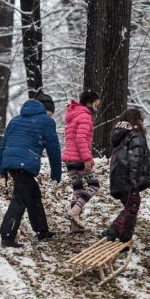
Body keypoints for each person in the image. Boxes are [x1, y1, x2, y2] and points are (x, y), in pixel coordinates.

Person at [0, 93, 62, 248]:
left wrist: (0, 169)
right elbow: (54, 150)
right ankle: (7, 235)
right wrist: (56, 173)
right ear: (46, 110)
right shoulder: (46, 122)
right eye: (50, 112)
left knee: (33, 194)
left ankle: (42, 230)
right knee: (20, 198)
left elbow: (3, 146)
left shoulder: (15, 120)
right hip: (24, 163)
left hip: (10, 162)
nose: (50, 115)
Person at [101, 108, 150, 243]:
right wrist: (134, 176)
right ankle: (118, 233)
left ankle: (119, 234)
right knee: (132, 206)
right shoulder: (135, 135)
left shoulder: (121, 135)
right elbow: (135, 157)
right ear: (136, 120)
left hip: (118, 177)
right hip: (128, 178)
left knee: (131, 207)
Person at [62, 89, 101, 232]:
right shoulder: (85, 116)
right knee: (94, 185)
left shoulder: (72, 115)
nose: (96, 109)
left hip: (69, 159)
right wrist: (87, 159)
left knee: (78, 189)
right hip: (79, 158)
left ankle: (74, 227)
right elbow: (80, 138)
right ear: (89, 103)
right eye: (96, 105)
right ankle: (75, 212)